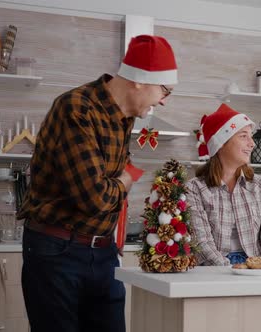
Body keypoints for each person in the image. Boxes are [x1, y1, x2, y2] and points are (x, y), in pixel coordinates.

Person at [17, 35, 178, 332]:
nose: (165, 100)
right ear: (139, 81)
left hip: (102, 253)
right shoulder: (76, 109)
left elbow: (104, 190)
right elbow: (95, 199)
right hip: (57, 252)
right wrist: (127, 178)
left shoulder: (124, 117)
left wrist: (115, 183)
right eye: (164, 90)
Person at [186, 104, 261, 266]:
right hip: (214, 272)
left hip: (256, 270)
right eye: (243, 136)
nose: (252, 144)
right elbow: (202, 244)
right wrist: (231, 270)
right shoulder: (195, 189)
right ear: (221, 143)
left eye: (251, 136)